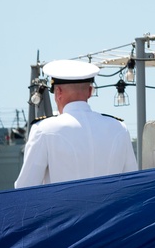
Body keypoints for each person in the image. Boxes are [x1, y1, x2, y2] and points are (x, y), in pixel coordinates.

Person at [15, 59, 139, 187]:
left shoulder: (43, 130)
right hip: (111, 207)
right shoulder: (119, 128)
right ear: (90, 92)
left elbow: (25, 188)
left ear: (58, 93)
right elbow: (132, 184)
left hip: (63, 208)